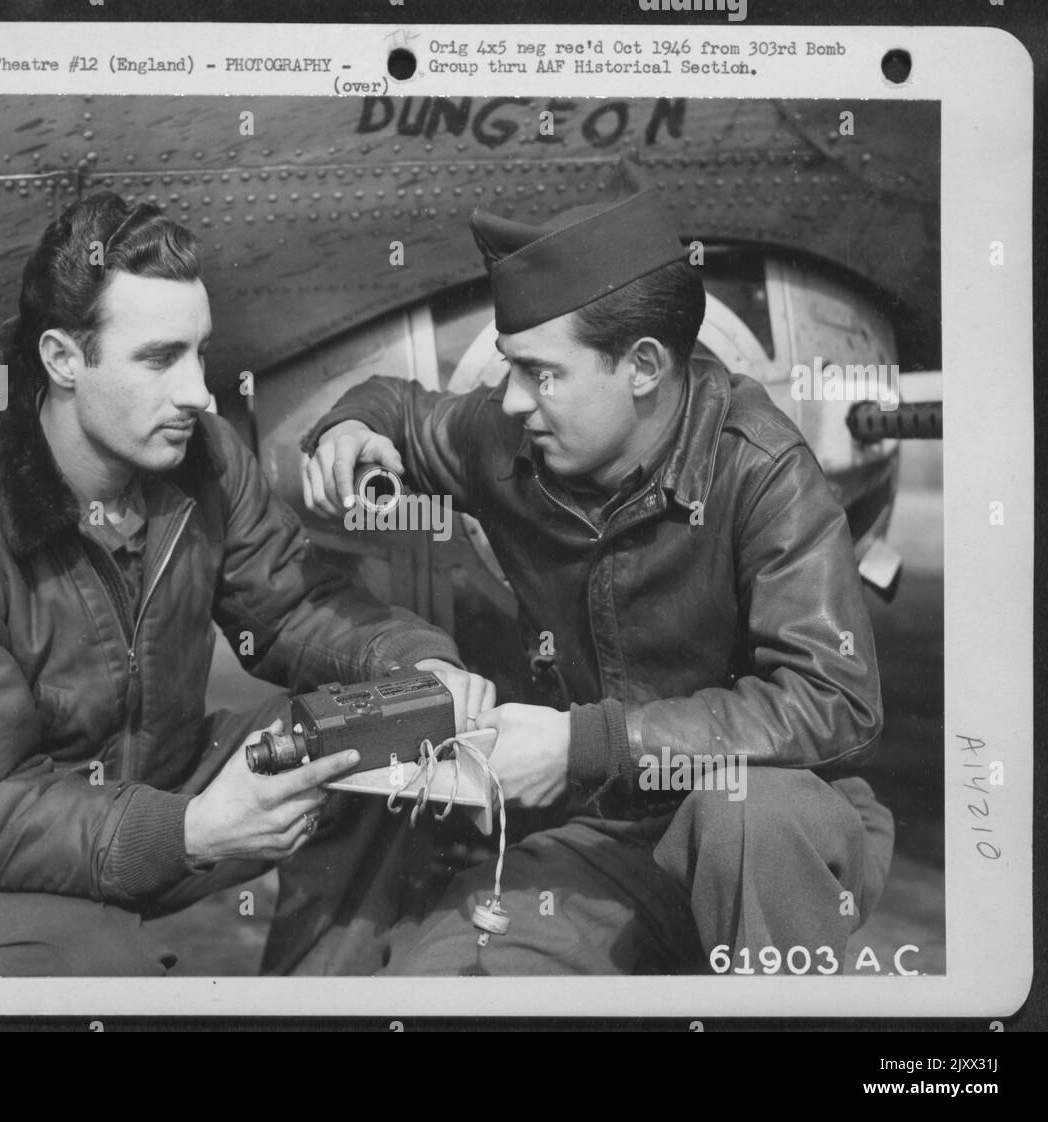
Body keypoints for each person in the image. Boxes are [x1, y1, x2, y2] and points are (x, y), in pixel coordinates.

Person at [0, 191, 492, 977]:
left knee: (382, 746)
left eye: (200, 352)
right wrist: (192, 830)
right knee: (111, 982)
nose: (198, 390)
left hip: (168, 789)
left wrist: (411, 663)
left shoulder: (204, 454)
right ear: (62, 360)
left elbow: (291, 607)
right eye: (160, 358)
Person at [285, 183, 896, 975]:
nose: (512, 400)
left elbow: (837, 703)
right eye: (509, 368)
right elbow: (400, 406)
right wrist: (352, 425)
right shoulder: (509, 441)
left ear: (643, 365)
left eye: (541, 374)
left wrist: (586, 743)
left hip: (779, 833)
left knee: (745, 815)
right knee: (442, 979)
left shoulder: (762, 470)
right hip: (616, 839)